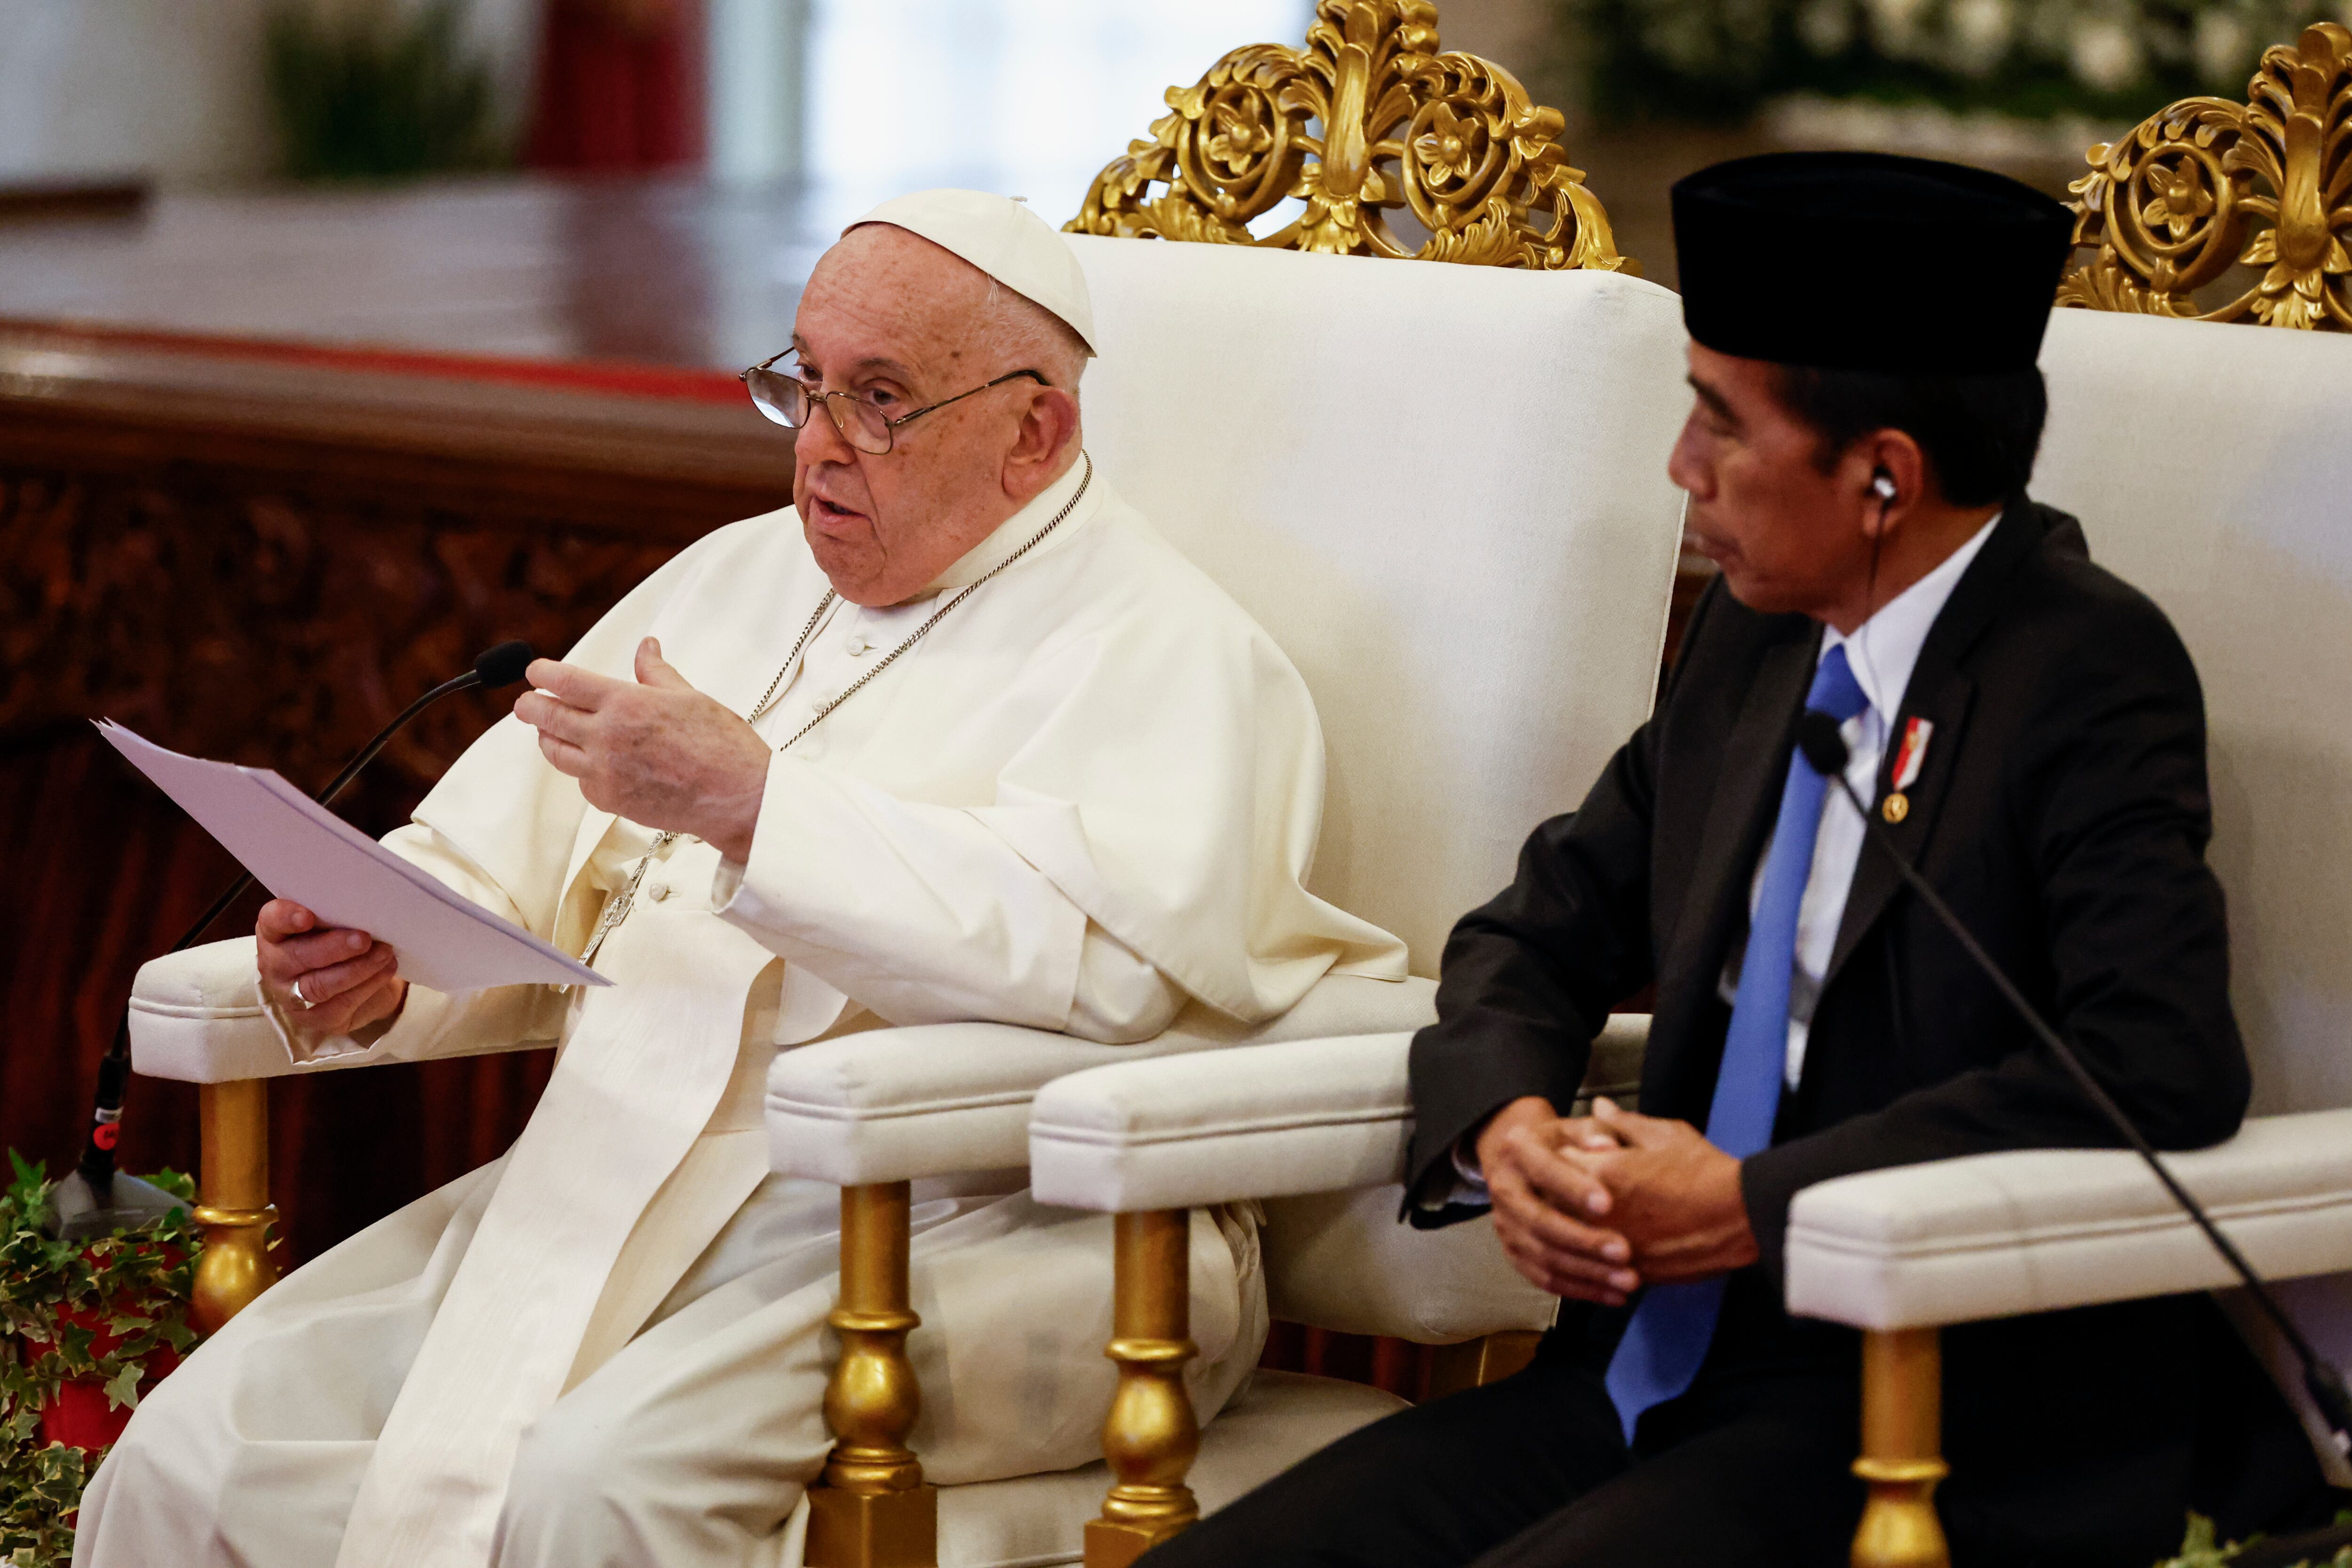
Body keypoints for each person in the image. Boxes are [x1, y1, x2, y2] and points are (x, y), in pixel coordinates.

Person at [75, 189, 1406, 1568]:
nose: (820, 451)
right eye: (807, 385)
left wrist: (757, 807)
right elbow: (492, 874)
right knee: (194, 1454)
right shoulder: (728, 583)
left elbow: (1114, 978)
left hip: (991, 1233)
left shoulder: (1176, 658)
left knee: (595, 1490)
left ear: (1036, 432)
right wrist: (376, 967)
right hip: (622, 1182)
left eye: (881, 400)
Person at [1141, 152, 2337, 1568]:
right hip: (1640, 1372)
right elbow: (1535, 930)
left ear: (1883, 474)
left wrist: (1753, 1206)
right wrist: (1507, 1127)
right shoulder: (1763, 638)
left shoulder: (2083, 671)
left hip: (1921, 1400)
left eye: (1719, 421)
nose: (1677, 469)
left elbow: (2155, 1061)